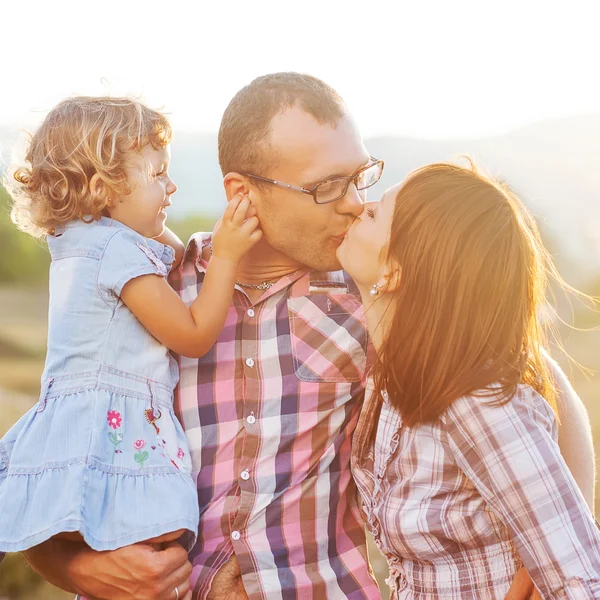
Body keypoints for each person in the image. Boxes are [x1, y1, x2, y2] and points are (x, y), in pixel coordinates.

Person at [21, 75, 596, 600]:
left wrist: (527, 579)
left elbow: (538, 397)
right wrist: (69, 567)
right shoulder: (148, 289)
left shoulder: (373, 292)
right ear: (242, 192)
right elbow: (63, 435)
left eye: (359, 177)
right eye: (326, 187)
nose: (352, 204)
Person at [0, 96, 260, 600]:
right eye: (159, 174)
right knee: (152, 542)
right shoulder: (116, 251)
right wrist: (226, 256)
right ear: (103, 189)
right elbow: (192, 334)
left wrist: (150, 209)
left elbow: (172, 251)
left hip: (80, 419)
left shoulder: (82, 238)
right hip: (114, 421)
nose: (173, 185)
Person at [339, 161, 600, 598]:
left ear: (396, 270)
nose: (356, 208)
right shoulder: (390, 380)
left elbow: (580, 576)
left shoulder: (473, 402)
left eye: (373, 214)